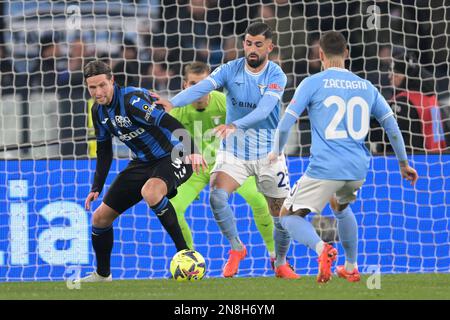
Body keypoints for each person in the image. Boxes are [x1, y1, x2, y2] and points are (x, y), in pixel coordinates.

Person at [269, 31, 418, 283]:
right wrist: (403, 163)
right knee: (341, 206)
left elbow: (285, 124)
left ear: (321, 54)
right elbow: (391, 127)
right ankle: (350, 267)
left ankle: (322, 250)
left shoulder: (312, 82)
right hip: (358, 169)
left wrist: (276, 151)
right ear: (347, 53)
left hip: (326, 166)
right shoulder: (367, 87)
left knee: (288, 217)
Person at [158, 22, 299, 279]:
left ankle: (278, 259)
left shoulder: (276, 75)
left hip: (266, 153)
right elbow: (203, 88)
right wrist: (172, 101)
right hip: (226, 157)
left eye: (258, 44)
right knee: (210, 198)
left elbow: (265, 110)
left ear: (270, 46)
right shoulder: (229, 69)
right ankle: (226, 250)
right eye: (248, 43)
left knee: (275, 210)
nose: (252, 49)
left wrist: (235, 124)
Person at [77, 60, 207, 282]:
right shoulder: (98, 111)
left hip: (175, 154)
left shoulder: (131, 100)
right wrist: (96, 187)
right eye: (92, 88)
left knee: (151, 191)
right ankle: (102, 275)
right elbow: (104, 151)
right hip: (143, 163)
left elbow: (169, 121)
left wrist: (192, 149)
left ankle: (186, 256)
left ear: (112, 81)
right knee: (99, 218)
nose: (98, 92)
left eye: (102, 85)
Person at [168, 61, 277, 263]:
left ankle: (274, 254)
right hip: (196, 171)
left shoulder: (225, 102)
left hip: (229, 165)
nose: (198, 90)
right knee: (173, 209)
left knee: (258, 200)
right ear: (185, 86)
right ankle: (189, 259)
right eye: (192, 84)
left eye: (203, 84)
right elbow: (170, 145)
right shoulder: (177, 111)